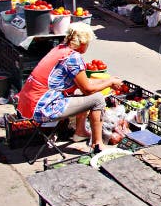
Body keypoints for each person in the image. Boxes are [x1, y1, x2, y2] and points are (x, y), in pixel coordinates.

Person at [17, 23, 123, 154]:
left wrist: (108, 80)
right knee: (97, 99)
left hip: (29, 101)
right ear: (83, 42)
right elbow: (88, 89)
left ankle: (80, 131)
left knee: (82, 93)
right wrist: (110, 82)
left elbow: (83, 83)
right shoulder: (72, 58)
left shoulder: (60, 49)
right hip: (44, 107)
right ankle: (98, 144)